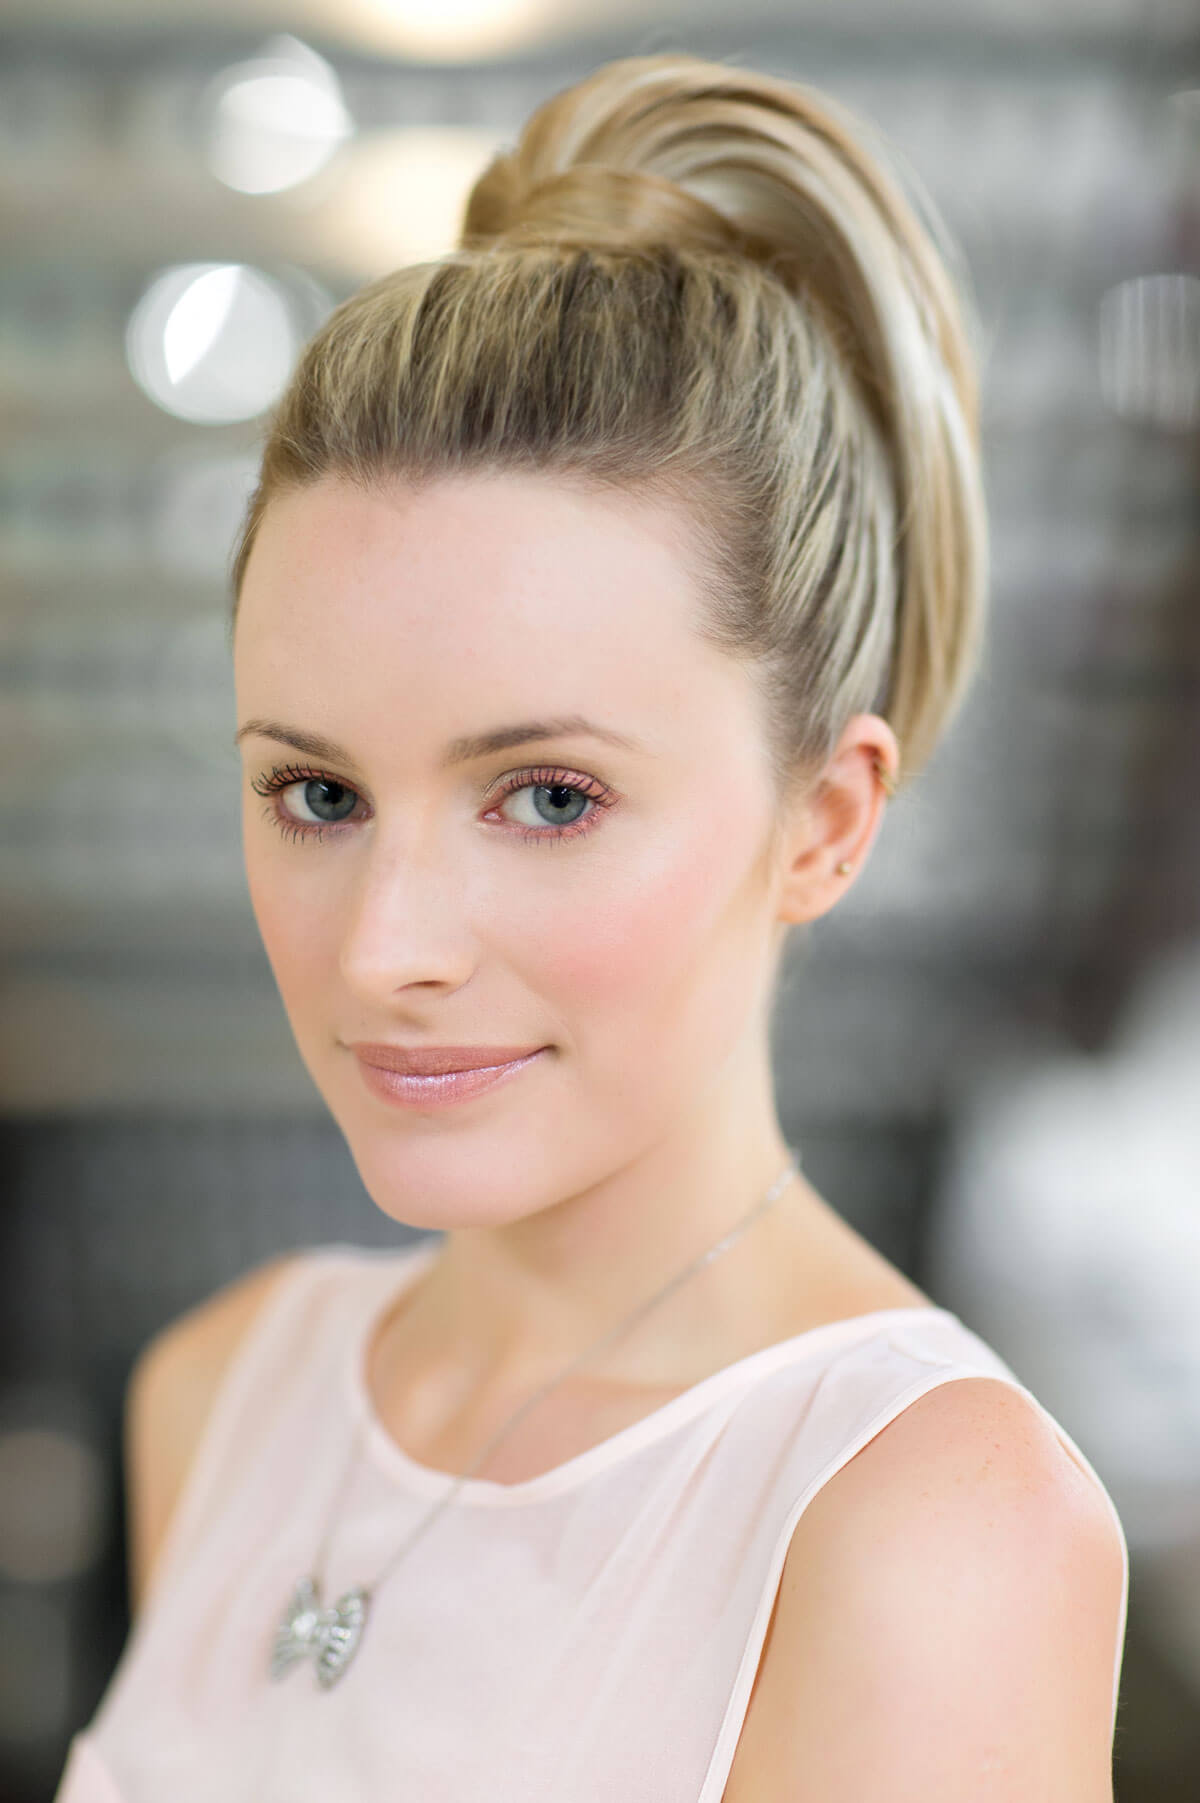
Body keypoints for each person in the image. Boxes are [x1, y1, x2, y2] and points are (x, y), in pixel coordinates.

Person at [55, 50, 1128, 1802]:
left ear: (824, 821)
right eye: (317, 793)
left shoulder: (919, 1527)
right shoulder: (222, 1393)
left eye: (548, 798)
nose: (385, 947)